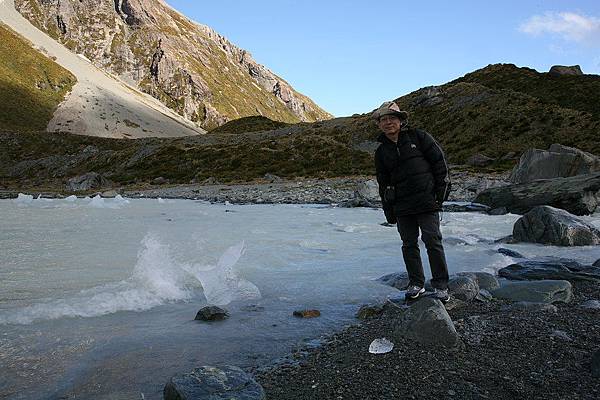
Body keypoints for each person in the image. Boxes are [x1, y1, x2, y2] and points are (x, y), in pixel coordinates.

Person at [373, 101, 451, 302]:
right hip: (401, 205)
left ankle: (441, 285)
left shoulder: (419, 137)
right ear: (379, 125)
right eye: (384, 120)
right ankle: (416, 283)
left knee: (432, 240)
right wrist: (388, 211)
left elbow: (439, 163)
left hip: (426, 200)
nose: (388, 123)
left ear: (400, 120)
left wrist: (441, 194)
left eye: (392, 118)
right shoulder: (381, 152)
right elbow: (383, 182)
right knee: (408, 244)